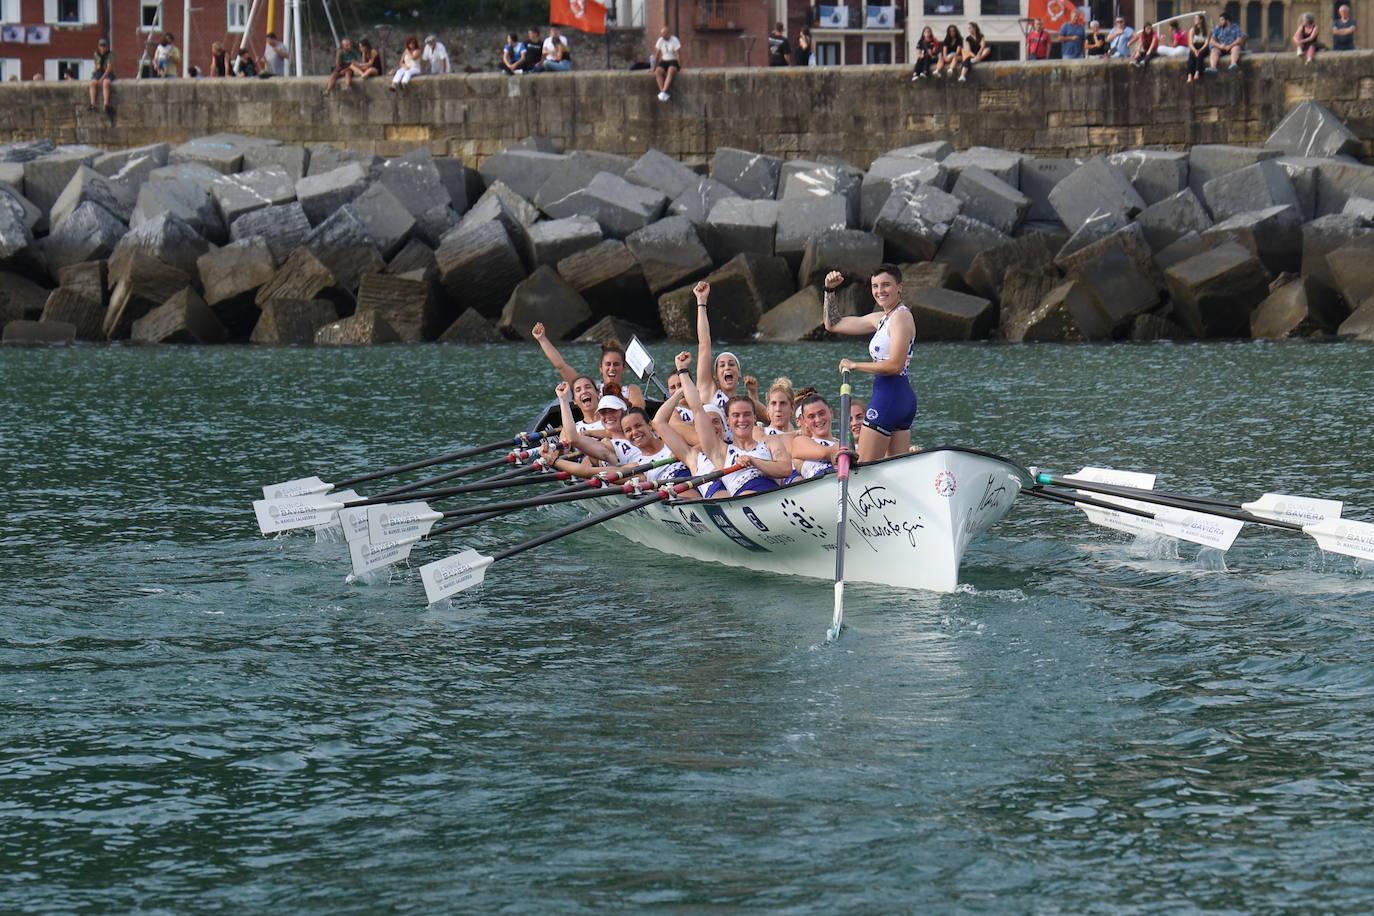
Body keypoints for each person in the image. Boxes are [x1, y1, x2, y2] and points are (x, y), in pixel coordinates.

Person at [821, 265, 917, 462]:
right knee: (896, 471)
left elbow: (895, 365)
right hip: (898, 398)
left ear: (899, 287)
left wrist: (855, 365)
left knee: (864, 467)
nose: (880, 291)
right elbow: (833, 324)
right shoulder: (882, 318)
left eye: (886, 285)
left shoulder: (901, 317)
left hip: (889, 397)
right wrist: (829, 290)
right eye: (875, 286)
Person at [677, 352, 793, 498]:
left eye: (747, 414)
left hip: (776, 496)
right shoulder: (721, 451)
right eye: (736, 415)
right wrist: (683, 371)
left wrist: (753, 461)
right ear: (728, 421)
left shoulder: (770, 442)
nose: (742, 420)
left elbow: (785, 469)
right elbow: (697, 409)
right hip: (745, 499)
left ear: (754, 417)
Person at [691, 281, 767, 421]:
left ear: (739, 374)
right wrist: (701, 302)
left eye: (731, 364)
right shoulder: (708, 390)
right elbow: (704, 345)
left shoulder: (743, 403)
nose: (727, 367)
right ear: (715, 376)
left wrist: (752, 392)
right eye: (722, 365)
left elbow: (763, 418)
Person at [530, 322, 645, 408]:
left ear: (623, 368)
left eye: (616, 364)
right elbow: (561, 365)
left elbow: (638, 412)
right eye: (608, 364)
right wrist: (542, 339)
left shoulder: (631, 390)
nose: (612, 368)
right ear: (601, 368)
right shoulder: (589, 389)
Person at [787, 394, 842, 480]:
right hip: (821, 482)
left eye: (821, 413)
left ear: (831, 413)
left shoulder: (842, 443)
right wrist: (839, 451)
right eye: (811, 416)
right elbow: (825, 453)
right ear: (805, 421)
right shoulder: (800, 442)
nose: (818, 420)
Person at [652, 27, 681, 100]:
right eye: (662, 34)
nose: (663, 35)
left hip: (673, 60)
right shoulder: (660, 40)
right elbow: (657, 55)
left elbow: (678, 54)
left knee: (670, 71)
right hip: (664, 60)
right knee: (658, 72)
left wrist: (680, 66)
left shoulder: (674, 40)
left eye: (664, 33)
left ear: (669, 33)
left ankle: (664, 90)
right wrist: (654, 68)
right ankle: (662, 92)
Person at [87, 38, 114, 113]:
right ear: (98, 46)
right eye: (101, 46)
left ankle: (106, 104)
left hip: (107, 73)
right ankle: (93, 104)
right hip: (99, 72)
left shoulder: (110, 55)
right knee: (92, 83)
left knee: (105, 83)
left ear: (107, 47)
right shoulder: (96, 54)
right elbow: (96, 65)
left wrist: (102, 79)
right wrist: (94, 72)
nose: (102, 47)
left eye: (104, 46)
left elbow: (109, 68)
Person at [1186, 15, 1210, 83]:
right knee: (1191, 56)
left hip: (1203, 47)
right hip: (1195, 46)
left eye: (1196, 19)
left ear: (1201, 20)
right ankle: (1189, 75)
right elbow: (1190, 43)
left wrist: (1200, 50)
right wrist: (1194, 50)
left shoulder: (1207, 30)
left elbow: (1206, 43)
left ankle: (1197, 72)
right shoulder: (1192, 30)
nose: (1195, 20)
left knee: (1200, 55)